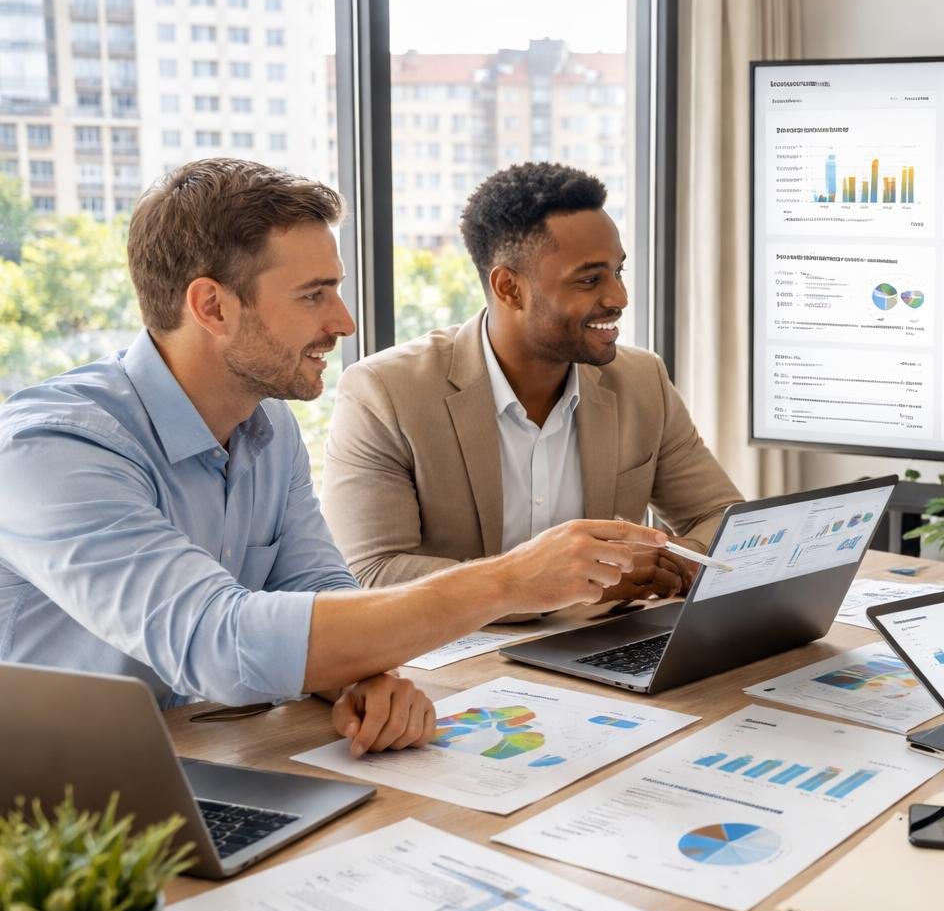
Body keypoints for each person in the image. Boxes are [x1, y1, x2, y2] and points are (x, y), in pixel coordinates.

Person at [0, 158, 667, 755]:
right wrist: (511, 579)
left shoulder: (267, 426)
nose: (344, 322)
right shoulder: (52, 447)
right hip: (50, 818)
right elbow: (216, 642)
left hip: (199, 767)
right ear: (212, 306)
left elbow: (316, 589)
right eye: (314, 294)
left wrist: (365, 680)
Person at [320, 162, 741, 611]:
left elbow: (723, 518)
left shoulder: (642, 381)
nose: (619, 298)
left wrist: (676, 560)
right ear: (509, 288)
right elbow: (371, 575)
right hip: (461, 665)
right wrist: (576, 581)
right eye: (589, 279)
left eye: (619, 272)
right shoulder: (385, 392)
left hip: (599, 648)